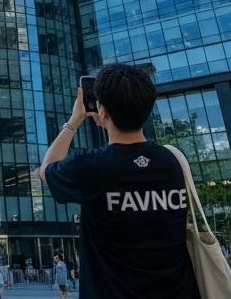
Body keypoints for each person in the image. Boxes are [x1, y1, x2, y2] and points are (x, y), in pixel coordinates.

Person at [38, 64, 197, 298]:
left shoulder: (90, 166)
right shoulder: (172, 161)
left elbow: (46, 170)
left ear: (102, 111)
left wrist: (73, 121)